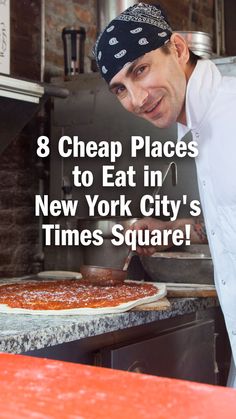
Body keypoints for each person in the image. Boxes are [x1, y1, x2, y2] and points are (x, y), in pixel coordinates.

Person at [93, 3, 236, 387]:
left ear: (177, 49)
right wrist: (173, 231)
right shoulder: (200, 127)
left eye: (141, 69)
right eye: (120, 89)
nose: (136, 100)